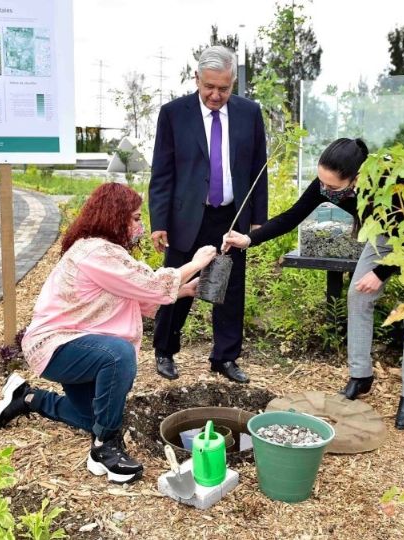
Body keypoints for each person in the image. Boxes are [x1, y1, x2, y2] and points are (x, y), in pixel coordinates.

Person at [0, 183, 217, 484]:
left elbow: (136, 293)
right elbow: (148, 283)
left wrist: (183, 290)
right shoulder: (96, 251)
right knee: (118, 355)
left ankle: (27, 397)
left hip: (80, 346)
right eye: (135, 218)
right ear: (115, 216)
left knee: (91, 418)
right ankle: (104, 449)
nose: (140, 225)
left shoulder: (106, 251)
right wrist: (196, 263)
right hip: (57, 344)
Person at [222, 138, 404, 430]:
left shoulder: (390, 182)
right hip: (385, 233)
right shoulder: (326, 185)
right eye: (321, 182)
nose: (325, 190)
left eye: (332, 187)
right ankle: (360, 375)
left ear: (356, 178)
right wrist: (249, 239)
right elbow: (293, 216)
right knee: (357, 296)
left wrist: (380, 273)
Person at [148, 45, 268, 384]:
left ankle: (225, 358)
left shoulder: (250, 113)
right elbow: (162, 172)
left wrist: (258, 219)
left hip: (231, 216)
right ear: (196, 79)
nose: (216, 95)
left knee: (230, 290)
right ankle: (165, 351)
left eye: (224, 88)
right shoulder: (174, 113)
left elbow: (259, 169)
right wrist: (159, 221)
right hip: (187, 216)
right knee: (177, 283)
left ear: (234, 83)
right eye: (209, 87)